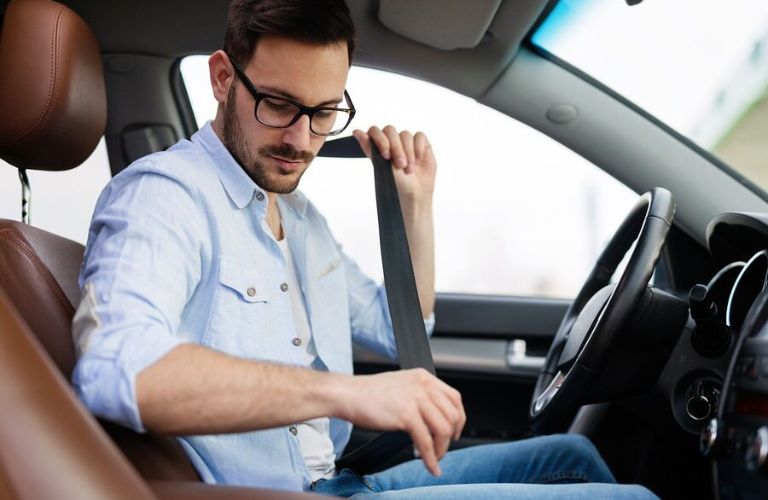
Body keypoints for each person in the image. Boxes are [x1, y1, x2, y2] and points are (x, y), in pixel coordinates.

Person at [71, 0, 656, 498]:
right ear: (224, 79)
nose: (301, 141)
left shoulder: (299, 216)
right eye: (278, 104)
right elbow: (119, 366)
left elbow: (401, 326)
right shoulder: (163, 196)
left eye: (324, 112)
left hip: (340, 479)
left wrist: (415, 207)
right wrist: (348, 395)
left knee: (573, 458)